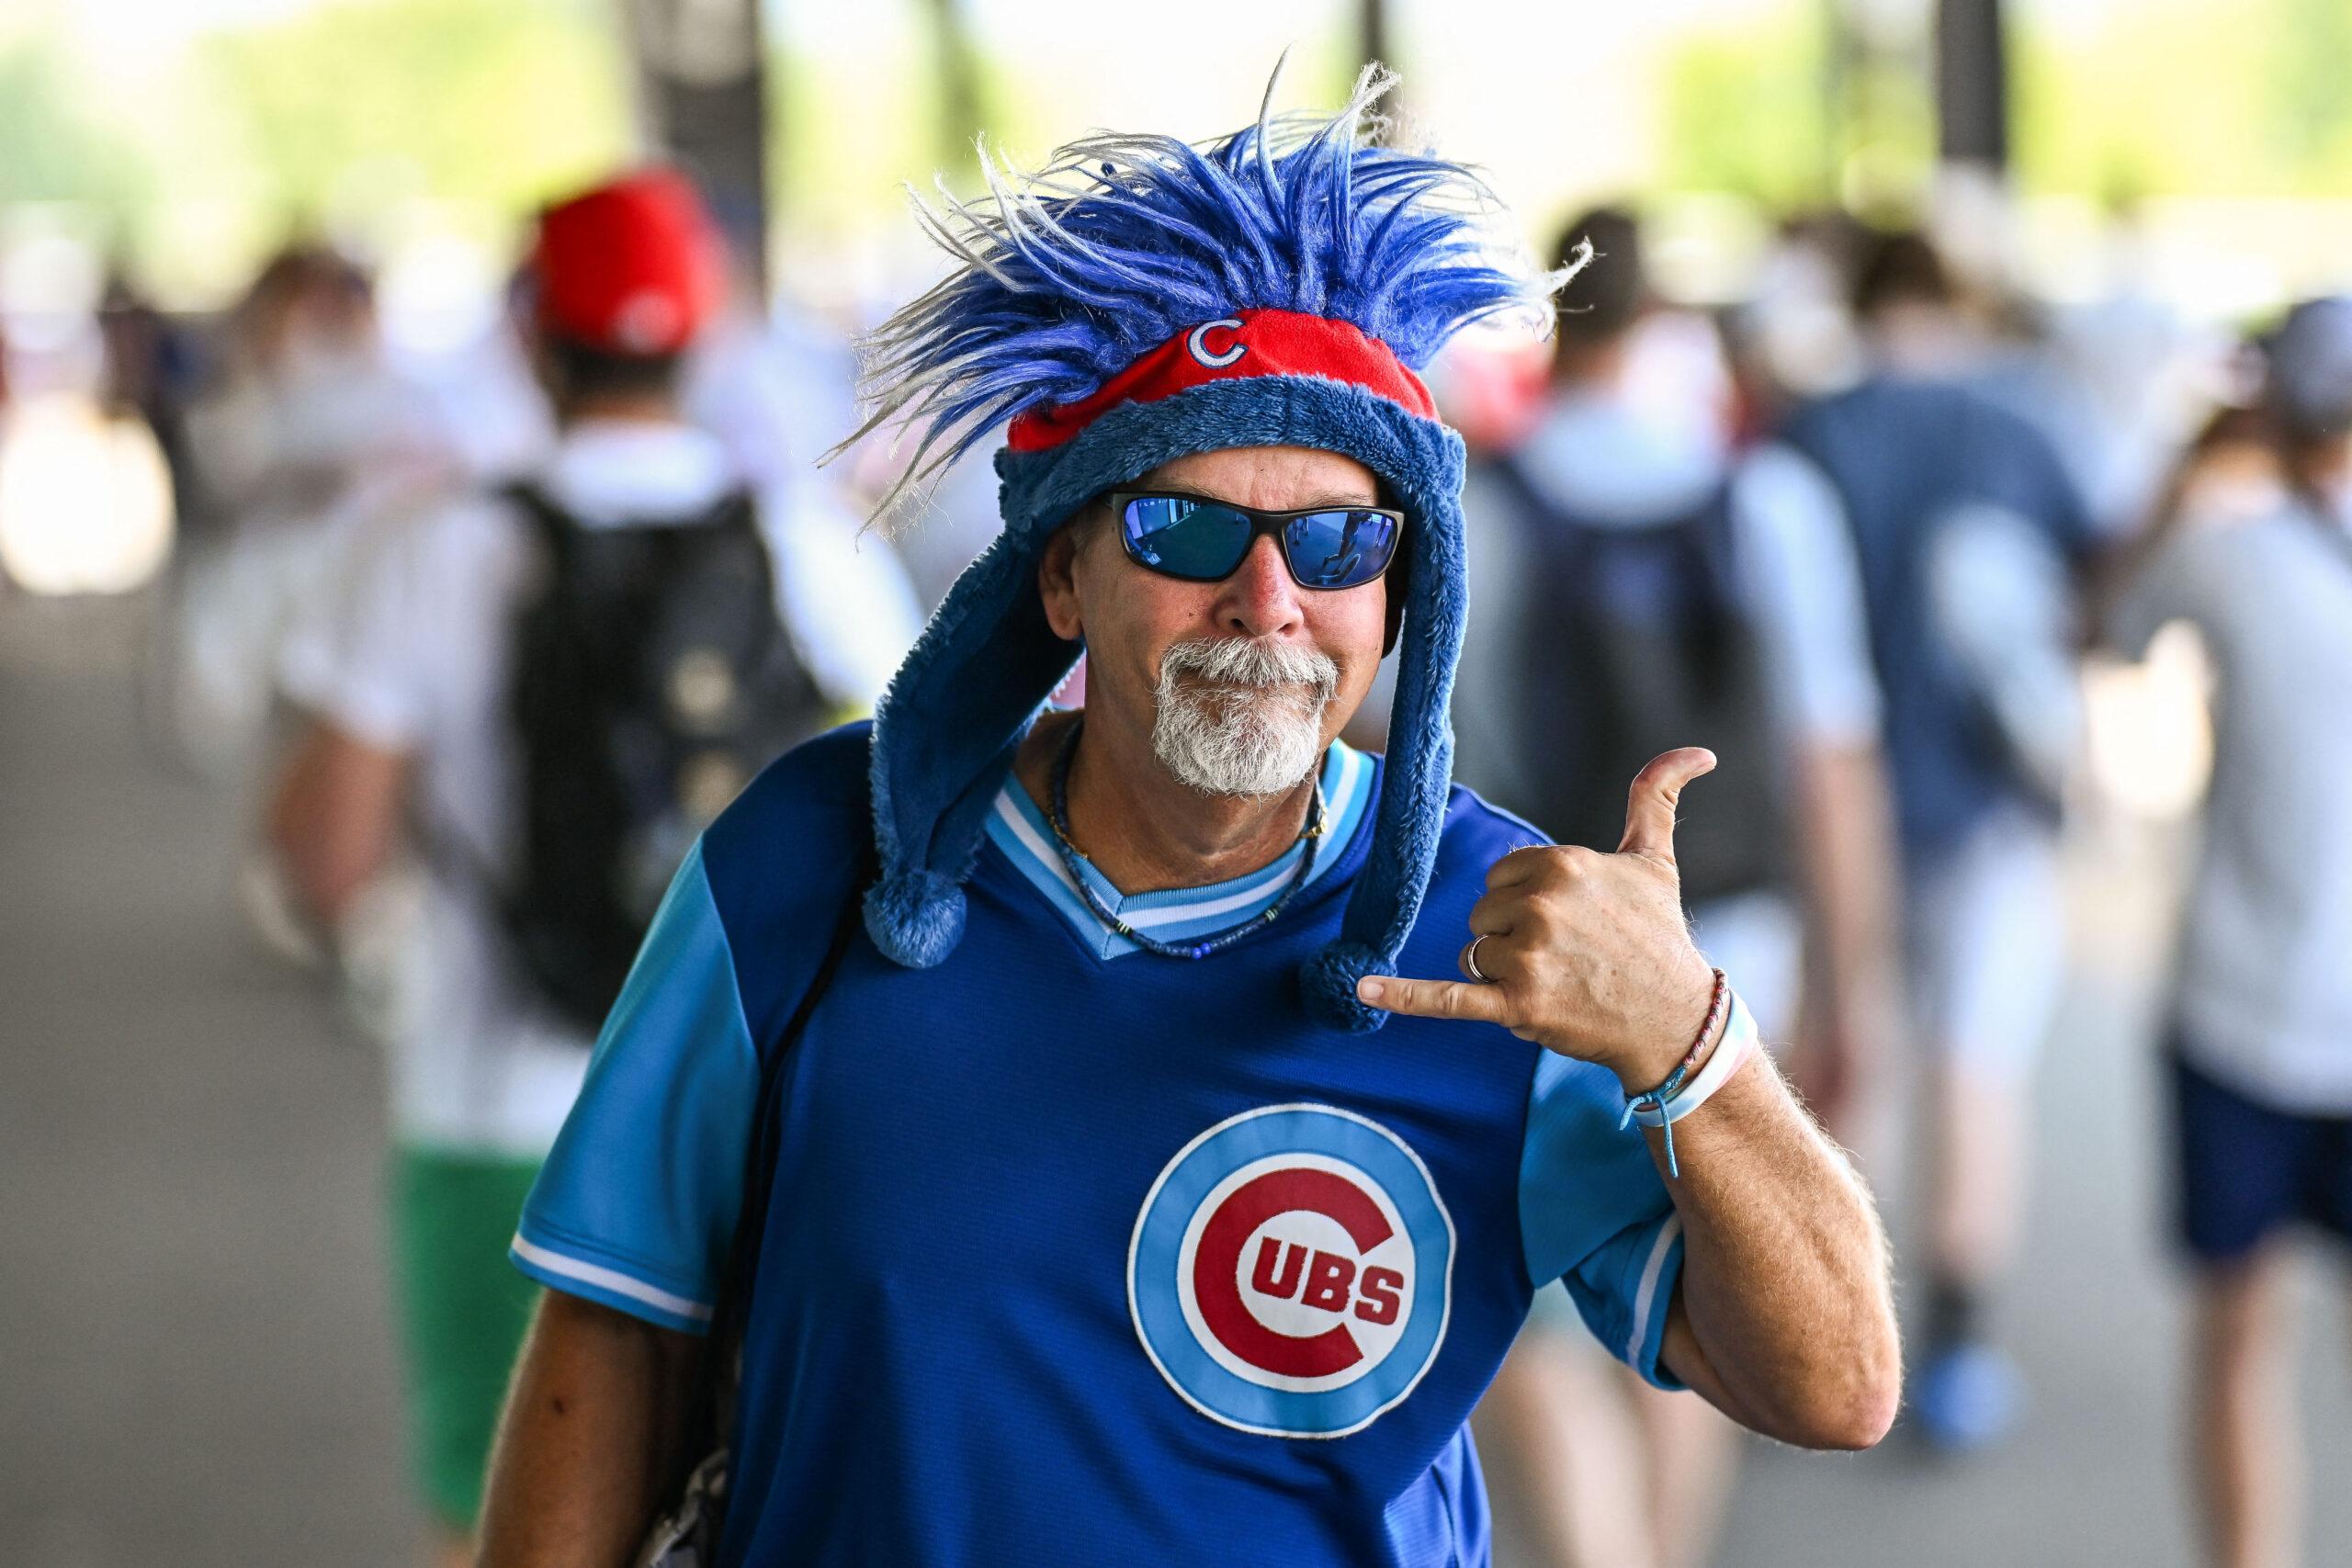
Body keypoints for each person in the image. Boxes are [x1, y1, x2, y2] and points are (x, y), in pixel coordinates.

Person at [474, 72, 1899, 1568]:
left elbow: (1837, 1384)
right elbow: (616, 1331)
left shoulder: (1505, 944)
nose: (1269, 600)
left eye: (1339, 539)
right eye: (1189, 525)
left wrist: (1697, 1047)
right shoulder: (807, 867)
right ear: (1060, 575)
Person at [266, 169, 920, 1567]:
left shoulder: (428, 546)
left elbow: (324, 857)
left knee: (502, 1519)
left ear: (534, 341)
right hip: (766, 1119)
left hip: (492, 1113)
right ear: (699, 338)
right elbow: (933, 811)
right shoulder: (803, 546)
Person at [1454, 207, 1898, 1568]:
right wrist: (1851, 984)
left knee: (1535, 1315)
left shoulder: (1478, 503)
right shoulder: (1766, 502)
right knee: (1704, 1272)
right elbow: (1831, 765)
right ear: (1669, 327)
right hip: (1723, 946)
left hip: (1520, 947)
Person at [1764, 228, 2098, 1452]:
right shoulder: (2023, 425)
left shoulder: (1810, 435)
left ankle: (1843, 1330)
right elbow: (2089, 587)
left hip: (1838, 804)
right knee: (1977, 1067)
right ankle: (1958, 1346)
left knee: (1853, 1061)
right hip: (1995, 807)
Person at [2109, 299, 2352, 1568]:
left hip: (2239, 1009)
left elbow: (2104, 624)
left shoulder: (2224, 549)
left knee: (2237, 1335)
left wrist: (2189, 464)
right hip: (2272, 1008)